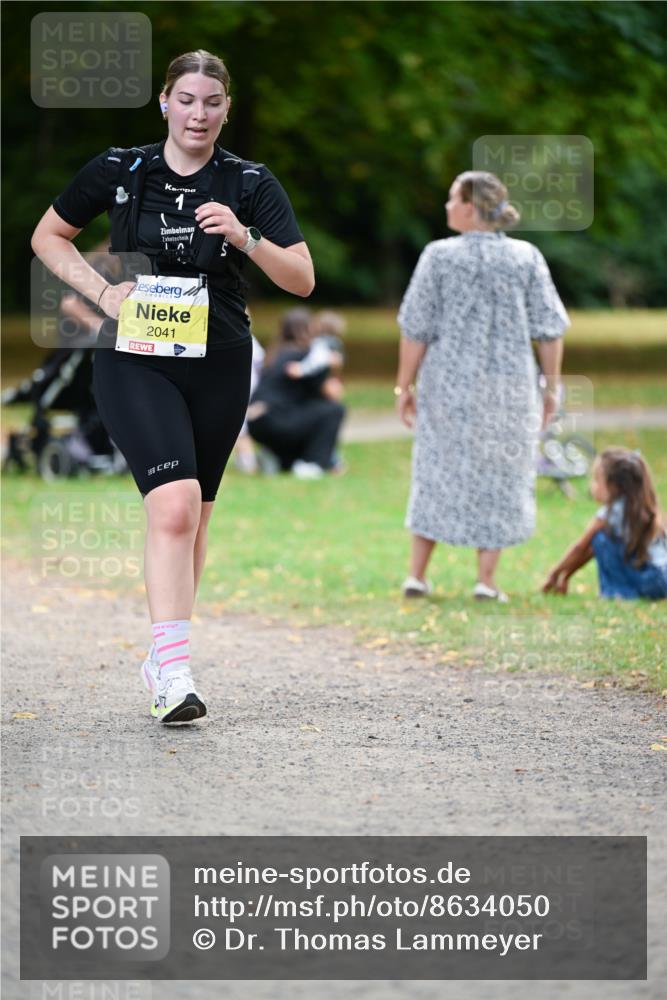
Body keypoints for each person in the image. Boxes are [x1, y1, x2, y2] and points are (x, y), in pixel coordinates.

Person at [31, 49, 314, 724]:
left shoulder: (247, 181)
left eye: (211, 103)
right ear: (164, 102)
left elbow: (300, 278)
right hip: (135, 355)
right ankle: (174, 673)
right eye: (185, 99)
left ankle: (165, 652)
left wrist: (245, 237)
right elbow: (49, 236)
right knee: (174, 507)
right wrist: (101, 293)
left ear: (226, 111)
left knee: (197, 519)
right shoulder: (121, 168)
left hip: (219, 358)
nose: (198, 113)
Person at [395, 170, 569, 601]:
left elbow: (415, 327)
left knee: (436, 470)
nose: (447, 206)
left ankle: (417, 574)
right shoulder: (526, 257)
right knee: (501, 475)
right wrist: (551, 389)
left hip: (447, 385)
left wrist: (404, 386)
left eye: (453, 199)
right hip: (508, 386)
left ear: (471, 207)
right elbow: (550, 329)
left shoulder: (438, 256)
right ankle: (486, 581)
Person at [543, 448, 667, 599]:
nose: (592, 485)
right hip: (661, 580)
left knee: (600, 539)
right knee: (603, 541)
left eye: (596, 479)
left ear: (614, 486)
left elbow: (580, 547)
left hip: (646, 579)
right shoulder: (644, 507)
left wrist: (554, 574)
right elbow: (590, 551)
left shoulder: (610, 513)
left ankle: (618, 591)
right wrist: (567, 574)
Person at [247, 308, 346, 478]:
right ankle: (314, 463)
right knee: (333, 411)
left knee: (307, 418)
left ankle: (279, 460)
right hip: (276, 418)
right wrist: (333, 366)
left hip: (256, 422)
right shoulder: (304, 355)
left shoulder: (274, 354)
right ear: (307, 329)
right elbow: (326, 392)